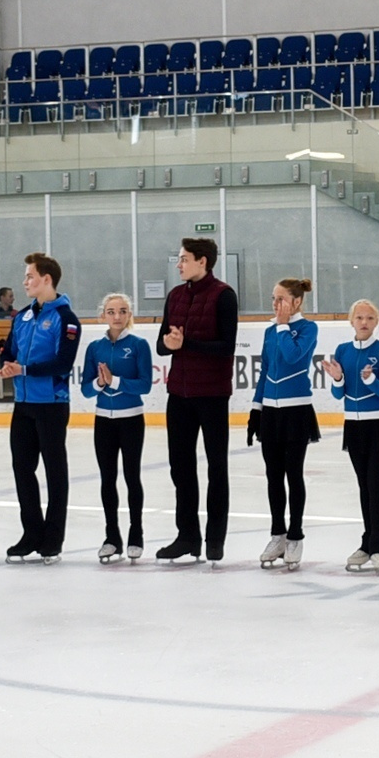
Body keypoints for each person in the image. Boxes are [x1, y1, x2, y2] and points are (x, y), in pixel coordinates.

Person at [155, 236, 238, 564]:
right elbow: (162, 345)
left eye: (184, 259)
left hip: (213, 395)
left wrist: (186, 343)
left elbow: (226, 346)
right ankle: (187, 536)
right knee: (181, 467)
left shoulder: (223, 295)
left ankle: (215, 538)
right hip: (179, 393)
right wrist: (172, 344)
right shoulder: (175, 295)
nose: (179, 264)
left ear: (203, 261)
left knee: (217, 467)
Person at [0, 253, 80, 562]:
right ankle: (31, 532)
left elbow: (62, 363)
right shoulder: (22, 317)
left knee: (55, 471)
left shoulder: (65, 318)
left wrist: (24, 370)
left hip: (51, 404)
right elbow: (8, 351)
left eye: (30, 276)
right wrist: (6, 367)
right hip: (23, 404)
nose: (25, 282)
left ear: (47, 279)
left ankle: (53, 537)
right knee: (22, 469)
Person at [326, 299, 379, 573]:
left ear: (376, 321)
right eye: (359, 317)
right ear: (351, 321)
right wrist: (336, 378)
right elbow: (338, 394)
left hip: (378, 425)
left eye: (370, 317)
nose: (364, 322)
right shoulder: (343, 350)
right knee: (363, 486)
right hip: (353, 426)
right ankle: (367, 543)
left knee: (373, 482)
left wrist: (370, 379)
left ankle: (377, 544)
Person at [252, 278, 320, 571]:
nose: (276, 304)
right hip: (270, 411)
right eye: (273, 299)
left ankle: (295, 535)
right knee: (272, 475)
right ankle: (277, 534)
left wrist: (282, 326)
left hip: (296, 411)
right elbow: (265, 369)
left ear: (296, 302)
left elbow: (293, 357)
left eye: (281, 299)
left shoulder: (307, 329)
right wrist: (256, 408)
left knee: (294, 474)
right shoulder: (269, 331)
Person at [80, 291, 151, 563]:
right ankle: (112, 537)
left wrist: (115, 381)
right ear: (103, 315)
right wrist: (99, 384)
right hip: (103, 421)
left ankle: (136, 534)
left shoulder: (139, 345)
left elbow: (145, 384)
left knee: (132, 477)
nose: (117, 316)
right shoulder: (94, 348)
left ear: (129, 315)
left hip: (131, 419)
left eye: (122, 311)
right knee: (107, 479)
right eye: (111, 311)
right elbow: (86, 389)